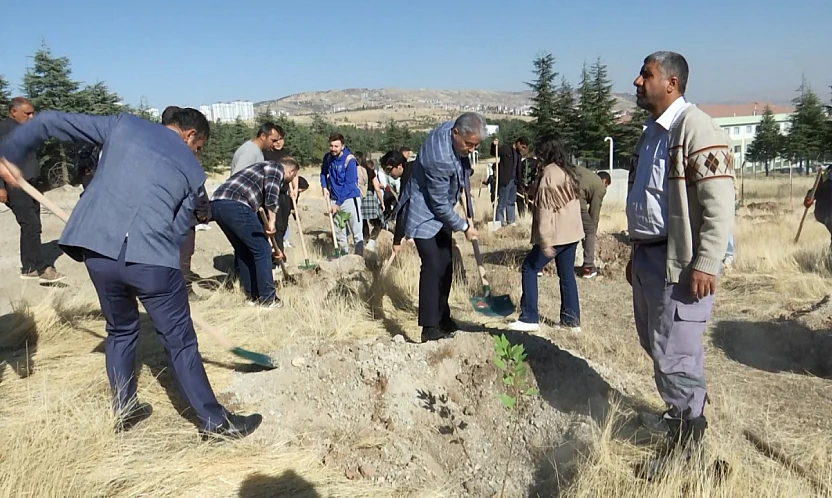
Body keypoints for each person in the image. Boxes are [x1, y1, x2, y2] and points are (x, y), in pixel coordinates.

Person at [0, 107, 262, 440]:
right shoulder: (193, 172)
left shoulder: (123, 126)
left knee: (120, 330)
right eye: (198, 147)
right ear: (190, 135)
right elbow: (181, 227)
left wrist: (9, 153)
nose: (194, 153)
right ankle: (215, 423)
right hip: (152, 260)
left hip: (98, 253)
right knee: (180, 342)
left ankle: (125, 408)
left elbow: (51, 121)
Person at [626, 51, 734, 466]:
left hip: (681, 263)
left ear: (671, 83)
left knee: (676, 352)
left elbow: (719, 205)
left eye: (646, 74)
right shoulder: (652, 133)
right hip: (651, 258)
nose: (637, 81)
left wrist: (707, 261)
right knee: (658, 345)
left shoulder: (695, 128)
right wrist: (638, 253)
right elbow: (648, 199)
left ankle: (687, 453)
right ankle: (683, 418)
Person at [396, 112, 483, 342]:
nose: (472, 150)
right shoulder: (439, 158)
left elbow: (462, 176)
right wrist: (464, 226)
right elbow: (439, 205)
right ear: (455, 133)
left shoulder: (454, 132)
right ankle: (429, 327)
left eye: (476, 145)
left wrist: (468, 210)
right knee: (432, 265)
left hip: (441, 210)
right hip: (423, 212)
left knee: (446, 262)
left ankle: (443, 316)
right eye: (468, 144)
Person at [508, 135, 583, 333]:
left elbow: (545, 211)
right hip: (572, 233)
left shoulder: (549, 174)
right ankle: (571, 320)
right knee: (567, 275)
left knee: (529, 268)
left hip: (556, 234)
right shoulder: (568, 171)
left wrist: (545, 241)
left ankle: (529, 317)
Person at [210, 157, 300, 308]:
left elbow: (258, 212)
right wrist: (272, 223)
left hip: (217, 204)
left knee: (244, 250)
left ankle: (253, 296)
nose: (291, 180)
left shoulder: (260, 168)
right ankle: (268, 299)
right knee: (262, 250)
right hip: (236, 203)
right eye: (294, 175)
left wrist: (272, 242)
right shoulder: (275, 168)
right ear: (291, 171)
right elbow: (271, 198)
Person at [0, 97, 65, 284]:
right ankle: (42, 268)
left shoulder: (25, 129)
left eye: (32, 112)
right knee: (31, 225)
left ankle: (29, 268)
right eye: (27, 113)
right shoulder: (3, 129)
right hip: (15, 185)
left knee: (31, 226)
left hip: (31, 184)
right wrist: (1, 188)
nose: (31, 116)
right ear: (14, 112)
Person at [160, 106, 211, 289]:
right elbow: (196, 188)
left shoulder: (154, 147)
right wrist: (202, 209)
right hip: (181, 215)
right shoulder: (183, 154)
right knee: (183, 253)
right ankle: (182, 290)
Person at [320, 133, 364, 256]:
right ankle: (344, 258)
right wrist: (324, 186)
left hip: (349, 199)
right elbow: (323, 173)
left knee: (356, 232)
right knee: (339, 233)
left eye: (336, 146)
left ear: (342, 146)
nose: (333, 149)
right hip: (334, 199)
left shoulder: (349, 160)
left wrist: (338, 203)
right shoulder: (328, 158)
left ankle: (359, 259)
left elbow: (349, 184)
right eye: (331, 146)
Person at [575, 166, 611, 278]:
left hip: (564, 195)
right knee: (589, 230)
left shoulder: (587, 177)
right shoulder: (600, 186)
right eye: (607, 185)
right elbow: (594, 214)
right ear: (604, 181)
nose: (606, 189)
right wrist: (591, 232)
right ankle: (588, 267)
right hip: (575, 198)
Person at [489, 136, 529, 226]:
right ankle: (500, 222)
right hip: (504, 180)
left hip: (514, 182)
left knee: (511, 202)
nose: (523, 149)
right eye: (522, 146)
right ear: (518, 143)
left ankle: (511, 221)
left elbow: (518, 169)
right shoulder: (505, 149)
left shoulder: (518, 154)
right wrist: (493, 145)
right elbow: (493, 152)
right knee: (502, 203)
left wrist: (520, 182)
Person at [803, 164, 832, 248]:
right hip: (824, 210)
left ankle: (828, 258)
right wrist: (810, 198)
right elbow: (815, 191)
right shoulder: (825, 173)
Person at [360, 159, 386, 251]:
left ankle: (365, 241)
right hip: (370, 196)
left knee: (363, 221)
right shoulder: (370, 171)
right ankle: (371, 242)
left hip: (358, 197)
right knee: (379, 222)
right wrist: (382, 202)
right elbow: (377, 188)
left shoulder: (353, 171)